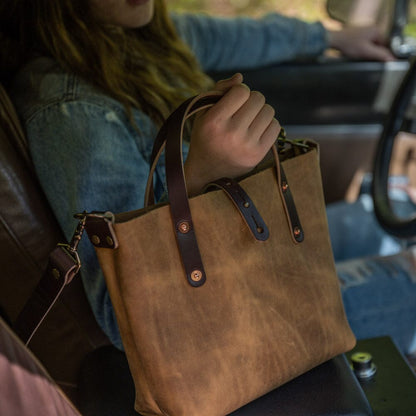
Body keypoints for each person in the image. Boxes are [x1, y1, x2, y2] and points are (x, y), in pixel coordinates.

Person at [2, 0, 415, 356]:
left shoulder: (135, 37)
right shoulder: (74, 114)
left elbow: (233, 36)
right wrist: (202, 177)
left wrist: (329, 38)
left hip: (240, 254)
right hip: (217, 330)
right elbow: (131, 321)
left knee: (380, 216)